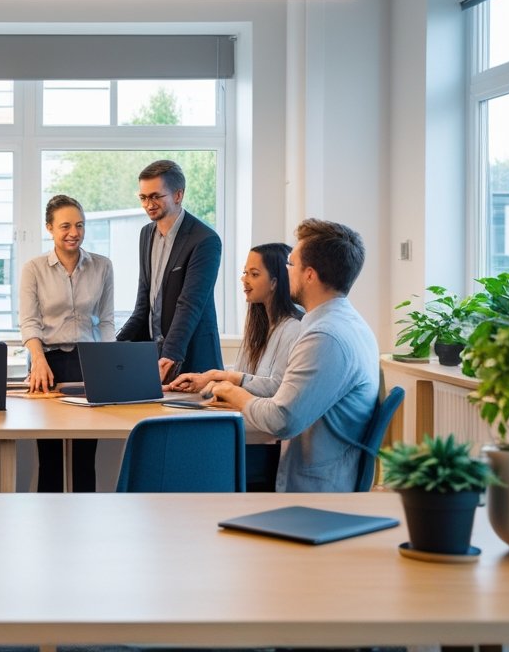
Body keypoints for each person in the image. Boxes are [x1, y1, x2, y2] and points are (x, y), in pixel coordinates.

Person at [189, 219, 378, 493]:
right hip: (319, 474)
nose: (286, 271)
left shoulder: (325, 337)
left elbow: (281, 420)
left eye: (291, 265)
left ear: (309, 275)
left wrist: (233, 392)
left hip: (314, 492)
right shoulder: (346, 323)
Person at [164, 242, 304, 490]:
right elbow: (243, 376)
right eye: (244, 272)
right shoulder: (260, 325)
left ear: (275, 281)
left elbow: (276, 388)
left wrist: (221, 377)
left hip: (262, 446)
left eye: (254, 274)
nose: (244, 279)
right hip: (246, 432)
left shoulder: (292, 329)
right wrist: (206, 380)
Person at [20, 195, 115, 492]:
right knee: (49, 455)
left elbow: (108, 320)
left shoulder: (102, 266)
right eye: (65, 226)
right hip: (47, 362)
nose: (73, 232)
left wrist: (109, 364)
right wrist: (37, 361)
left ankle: (84, 524)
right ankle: (48, 525)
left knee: (85, 454)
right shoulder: (33, 268)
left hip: (89, 362)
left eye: (79, 225)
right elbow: (29, 321)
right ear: (49, 228)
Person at [116, 159, 223, 384]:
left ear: (177, 195)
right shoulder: (146, 234)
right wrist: (116, 348)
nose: (148, 204)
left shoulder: (204, 240)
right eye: (143, 197)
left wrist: (170, 354)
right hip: (154, 356)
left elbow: (190, 304)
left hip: (192, 357)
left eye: (156, 196)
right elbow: (144, 303)